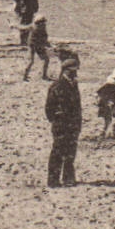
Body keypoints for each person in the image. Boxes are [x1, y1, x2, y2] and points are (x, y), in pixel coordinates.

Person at [44, 53, 82, 187]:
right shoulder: (57, 86)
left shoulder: (73, 85)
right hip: (61, 124)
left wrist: (78, 123)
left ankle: (68, 178)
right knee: (58, 152)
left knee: (71, 152)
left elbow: (77, 106)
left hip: (73, 124)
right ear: (65, 71)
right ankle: (53, 180)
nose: (75, 74)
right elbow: (49, 108)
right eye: (72, 71)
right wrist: (57, 121)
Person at [22, 13, 51, 80]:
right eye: (43, 22)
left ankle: (26, 76)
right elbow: (44, 40)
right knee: (34, 61)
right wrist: (48, 45)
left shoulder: (33, 26)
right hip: (35, 46)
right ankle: (43, 76)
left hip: (35, 46)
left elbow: (23, 27)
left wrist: (14, 26)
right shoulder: (39, 29)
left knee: (34, 61)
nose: (44, 24)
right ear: (39, 23)